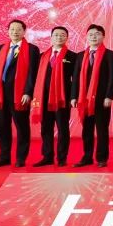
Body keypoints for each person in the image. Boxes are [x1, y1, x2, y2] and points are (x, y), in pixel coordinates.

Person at [0, 19, 40, 167]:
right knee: (2, 126)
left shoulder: (32, 49)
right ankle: (4, 157)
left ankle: (21, 158)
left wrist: (28, 92)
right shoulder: (0, 49)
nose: (15, 32)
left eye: (18, 29)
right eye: (12, 29)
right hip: (0, 93)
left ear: (24, 31)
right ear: (8, 31)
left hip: (19, 94)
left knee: (21, 126)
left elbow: (32, 73)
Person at [71, 24, 113, 167]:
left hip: (101, 99)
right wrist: (73, 96)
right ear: (86, 37)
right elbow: (75, 77)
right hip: (83, 99)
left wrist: (109, 96)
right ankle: (87, 157)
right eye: (90, 34)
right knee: (87, 130)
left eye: (97, 34)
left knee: (102, 129)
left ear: (103, 36)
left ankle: (102, 158)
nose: (93, 36)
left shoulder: (110, 54)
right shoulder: (80, 55)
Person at [31, 26, 75, 167]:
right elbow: (35, 78)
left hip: (62, 98)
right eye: (56, 35)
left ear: (66, 38)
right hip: (43, 98)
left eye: (62, 35)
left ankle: (62, 158)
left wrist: (73, 96)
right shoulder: (42, 56)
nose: (59, 37)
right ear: (51, 37)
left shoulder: (72, 56)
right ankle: (47, 156)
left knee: (62, 128)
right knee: (46, 128)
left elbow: (76, 80)